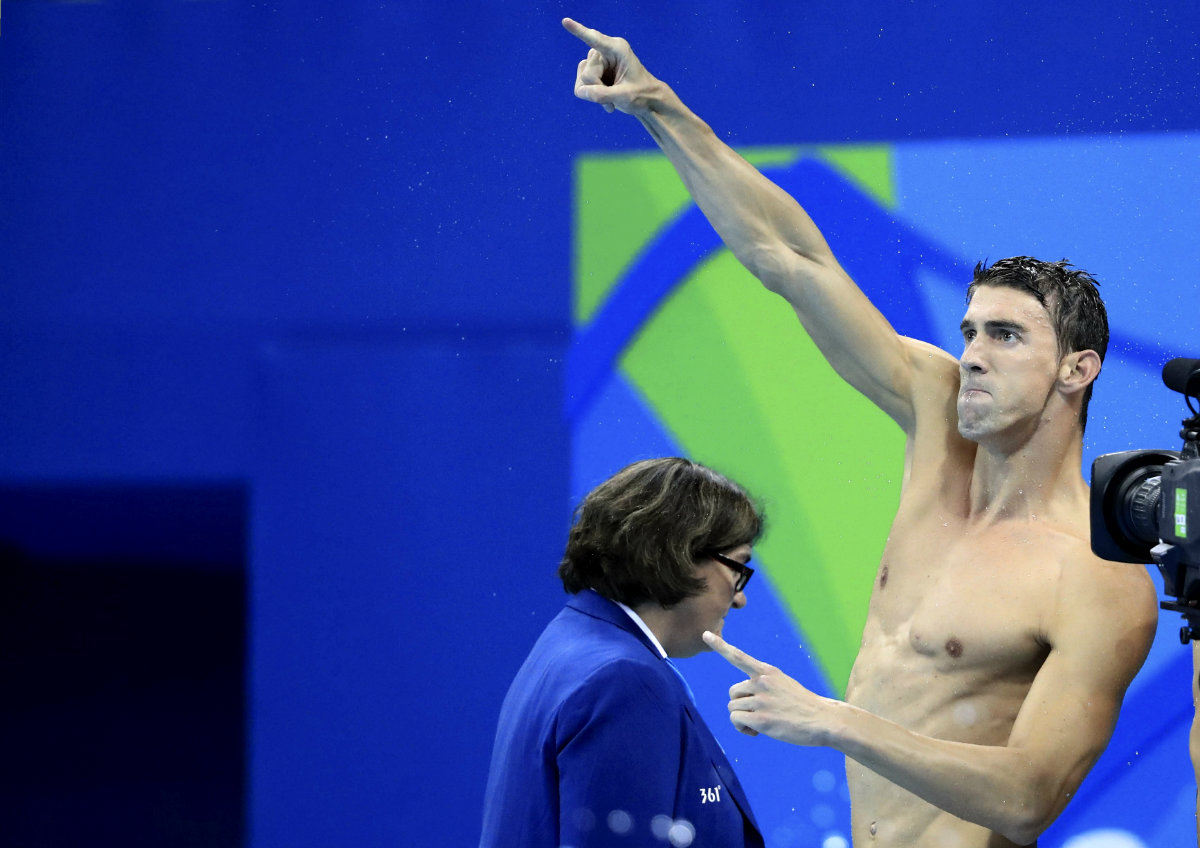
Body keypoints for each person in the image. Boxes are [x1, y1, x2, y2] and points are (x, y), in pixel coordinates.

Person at [563, 18, 1159, 848]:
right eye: (970, 331)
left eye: (1006, 336)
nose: (972, 355)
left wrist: (832, 721)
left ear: (1077, 369)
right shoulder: (936, 418)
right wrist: (660, 108)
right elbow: (789, 256)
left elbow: (1029, 797)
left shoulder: (1097, 576)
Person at [479, 457, 766, 848]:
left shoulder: (573, 639)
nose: (740, 599)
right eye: (738, 568)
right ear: (681, 555)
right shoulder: (624, 681)